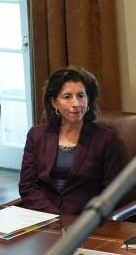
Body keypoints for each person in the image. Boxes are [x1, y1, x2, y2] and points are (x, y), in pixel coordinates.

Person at [19, 66, 123, 215]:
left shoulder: (105, 139)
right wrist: (55, 217)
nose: (76, 103)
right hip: (42, 218)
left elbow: (112, 192)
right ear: (54, 102)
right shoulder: (36, 136)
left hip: (83, 223)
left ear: (88, 99)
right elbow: (27, 186)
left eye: (81, 96)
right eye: (67, 97)